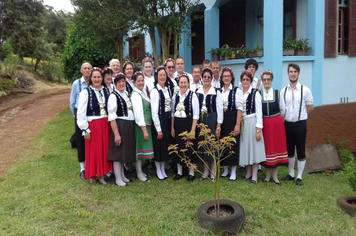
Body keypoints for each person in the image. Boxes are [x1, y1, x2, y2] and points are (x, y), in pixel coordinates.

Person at [77, 67, 113, 184]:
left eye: (99, 77)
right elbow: (81, 112)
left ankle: (102, 175)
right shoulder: (85, 92)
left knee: (104, 150)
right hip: (93, 125)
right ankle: (93, 175)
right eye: (94, 77)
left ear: (102, 78)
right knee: (94, 151)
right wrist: (85, 130)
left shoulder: (107, 90)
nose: (97, 79)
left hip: (105, 124)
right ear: (91, 78)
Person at [280, 63, 314, 186]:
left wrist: (302, 116)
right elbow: (282, 109)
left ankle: (299, 176)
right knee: (289, 150)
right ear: (288, 74)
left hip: (300, 124)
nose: (293, 74)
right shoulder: (283, 91)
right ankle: (291, 174)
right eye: (290, 71)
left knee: (300, 150)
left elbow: (310, 107)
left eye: (295, 71)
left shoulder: (305, 90)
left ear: (298, 73)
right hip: (287, 124)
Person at [260, 70, 289, 185]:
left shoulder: (277, 93)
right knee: (266, 148)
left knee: (276, 148)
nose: (266, 81)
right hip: (264, 124)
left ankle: (275, 176)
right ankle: (267, 176)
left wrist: (277, 121)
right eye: (264, 80)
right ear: (262, 81)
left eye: (268, 79)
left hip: (276, 124)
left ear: (271, 81)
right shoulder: (259, 94)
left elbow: (283, 110)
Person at [107, 73, 136, 187]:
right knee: (118, 153)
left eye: (123, 81)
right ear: (115, 84)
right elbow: (112, 117)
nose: (122, 83)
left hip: (128, 125)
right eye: (119, 82)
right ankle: (118, 178)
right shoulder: (113, 96)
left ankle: (122, 176)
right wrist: (117, 134)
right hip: (120, 125)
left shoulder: (125, 94)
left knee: (124, 152)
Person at [196, 68, 223, 181]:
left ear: (212, 79)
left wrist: (218, 127)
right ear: (202, 78)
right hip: (201, 120)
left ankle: (213, 172)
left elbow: (220, 111)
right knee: (203, 146)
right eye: (205, 77)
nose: (206, 79)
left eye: (208, 77)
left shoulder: (216, 92)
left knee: (211, 146)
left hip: (212, 119)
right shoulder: (197, 91)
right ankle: (205, 172)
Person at [171, 74, 199, 181]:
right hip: (178, 124)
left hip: (188, 124)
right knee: (178, 148)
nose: (183, 85)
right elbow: (173, 113)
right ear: (178, 84)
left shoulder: (193, 96)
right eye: (181, 82)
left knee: (189, 148)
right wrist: (172, 128)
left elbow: (196, 114)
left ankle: (191, 172)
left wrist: (193, 129)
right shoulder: (175, 97)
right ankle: (179, 172)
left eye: (185, 83)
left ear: (188, 84)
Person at [239, 70, 266, 184]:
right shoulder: (239, 93)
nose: (245, 81)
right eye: (243, 79)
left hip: (253, 121)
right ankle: (248, 172)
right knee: (246, 148)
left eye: (247, 79)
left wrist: (258, 129)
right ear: (241, 81)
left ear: (251, 81)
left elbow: (259, 112)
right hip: (243, 123)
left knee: (254, 149)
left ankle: (254, 174)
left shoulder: (256, 93)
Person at [219, 68, 244, 181]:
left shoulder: (236, 91)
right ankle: (225, 169)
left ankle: (233, 171)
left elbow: (240, 109)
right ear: (222, 78)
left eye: (228, 76)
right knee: (223, 144)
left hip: (232, 119)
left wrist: (237, 125)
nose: (226, 78)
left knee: (232, 144)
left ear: (231, 78)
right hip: (221, 120)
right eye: (224, 76)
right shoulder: (219, 91)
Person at [69, 62, 92, 179]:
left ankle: (93, 165)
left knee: (92, 141)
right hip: (80, 116)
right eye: (85, 69)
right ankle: (83, 168)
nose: (87, 70)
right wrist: (77, 118)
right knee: (81, 141)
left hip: (92, 115)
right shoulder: (76, 84)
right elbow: (72, 103)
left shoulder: (94, 82)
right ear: (81, 71)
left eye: (89, 68)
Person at [131, 71, 154, 182]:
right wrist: (144, 130)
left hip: (146, 125)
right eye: (138, 81)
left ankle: (140, 171)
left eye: (142, 80)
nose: (141, 83)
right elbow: (139, 113)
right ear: (134, 82)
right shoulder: (135, 95)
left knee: (141, 149)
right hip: (140, 127)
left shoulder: (143, 92)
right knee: (139, 150)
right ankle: (139, 173)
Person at [151, 66, 172, 180]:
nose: (163, 77)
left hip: (167, 120)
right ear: (157, 77)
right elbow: (154, 112)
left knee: (165, 145)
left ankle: (163, 168)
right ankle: (158, 169)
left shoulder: (168, 89)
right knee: (159, 145)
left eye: (164, 75)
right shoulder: (155, 91)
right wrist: (158, 128)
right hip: (159, 120)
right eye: (160, 75)